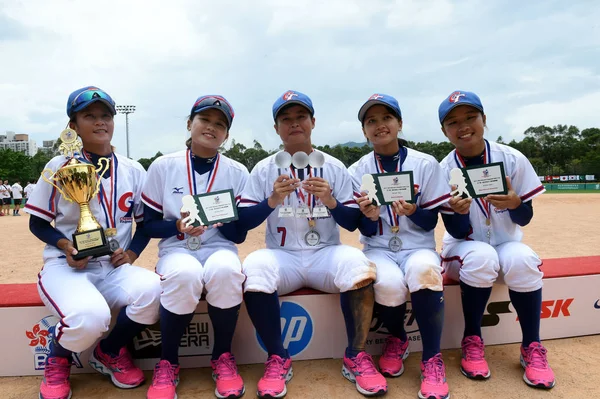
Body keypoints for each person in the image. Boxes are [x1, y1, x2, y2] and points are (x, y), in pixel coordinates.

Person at [238, 90, 386, 398]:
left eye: (301, 117)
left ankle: (356, 355)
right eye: (286, 119)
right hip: (283, 256)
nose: (294, 124)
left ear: (313, 122)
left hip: (325, 253)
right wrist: (272, 200)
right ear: (277, 128)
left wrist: (331, 200)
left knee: (358, 265)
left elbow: (351, 223)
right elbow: (244, 222)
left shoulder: (332, 167)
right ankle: (278, 356)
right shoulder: (264, 169)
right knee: (254, 267)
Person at [25, 86, 161, 399]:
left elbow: (146, 225)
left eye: (105, 116)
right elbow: (37, 222)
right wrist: (65, 247)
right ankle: (58, 359)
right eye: (89, 116)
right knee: (90, 317)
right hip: (68, 267)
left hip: (114, 267)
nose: (100, 122)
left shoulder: (132, 169)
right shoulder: (60, 165)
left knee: (157, 291)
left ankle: (110, 351)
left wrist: (131, 252)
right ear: (73, 126)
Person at [437, 90, 555, 389]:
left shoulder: (511, 157)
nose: (463, 126)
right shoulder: (443, 169)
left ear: (483, 119)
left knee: (523, 257)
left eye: (470, 117)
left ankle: (532, 346)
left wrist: (516, 203)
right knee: (481, 256)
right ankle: (472, 339)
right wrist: (459, 212)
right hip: (464, 248)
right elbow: (455, 231)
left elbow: (525, 218)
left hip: (505, 242)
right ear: (444, 130)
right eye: (453, 122)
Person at [141, 95, 249, 399]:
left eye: (220, 124)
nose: (211, 128)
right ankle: (168, 362)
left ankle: (223, 357)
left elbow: (239, 236)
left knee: (228, 270)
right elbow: (147, 225)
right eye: (205, 120)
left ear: (226, 135)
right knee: (185, 274)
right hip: (176, 249)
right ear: (190, 124)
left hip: (219, 248)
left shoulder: (237, 171)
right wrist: (177, 226)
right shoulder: (164, 166)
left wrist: (220, 220)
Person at [349, 94, 452, 399]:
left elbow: (430, 221)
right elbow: (363, 227)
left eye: (386, 118)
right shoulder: (358, 169)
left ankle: (432, 358)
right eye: (371, 121)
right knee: (390, 286)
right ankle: (398, 338)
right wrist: (368, 216)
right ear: (364, 131)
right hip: (378, 246)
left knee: (424, 270)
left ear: (399, 123)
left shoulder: (425, 163)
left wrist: (413, 211)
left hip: (417, 244)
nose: (379, 125)